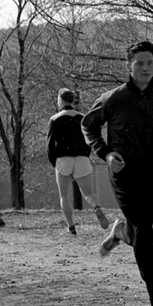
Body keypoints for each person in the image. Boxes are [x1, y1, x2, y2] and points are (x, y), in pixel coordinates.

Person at [82, 41, 153, 306]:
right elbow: (88, 125)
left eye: (149, 63)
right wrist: (106, 154)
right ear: (129, 66)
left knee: (140, 227)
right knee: (145, 226)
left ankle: (122, 233)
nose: (145, 68)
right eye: (139, 63)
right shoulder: (114, 98)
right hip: (124, 172)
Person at [46, 89, 110, 236]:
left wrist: (54, 163)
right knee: (88, 193)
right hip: (82, 158)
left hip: (63, 159)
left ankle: (71, 227)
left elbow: (50, 146)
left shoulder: (54, 119)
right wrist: (85, 155)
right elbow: (89, 138)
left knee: (64, 195)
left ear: (60, 100)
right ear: (73, 101)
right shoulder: (82, 118)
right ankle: (96, 207)